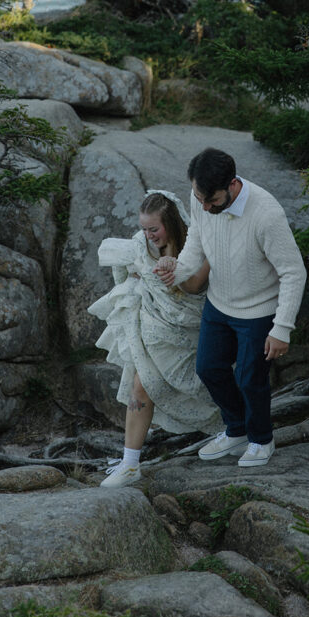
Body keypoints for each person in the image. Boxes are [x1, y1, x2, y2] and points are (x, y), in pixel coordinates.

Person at [155, 148, 307, 467]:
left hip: (259, 310)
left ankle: (261, 440)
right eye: (200, 198)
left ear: (233, 185)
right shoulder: (201, 199)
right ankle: (236, 429)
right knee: (208, 368)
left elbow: (294, 271)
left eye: (212, 201)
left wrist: (281, 329)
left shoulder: (266, 213)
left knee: (251, 380)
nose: (205, 206)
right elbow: (197, 238)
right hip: (219, 303)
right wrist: (178, 268)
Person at [88, 189, 219, 487]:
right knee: (141, 385)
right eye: (144, 228)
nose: (148, 235)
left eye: (154, 229)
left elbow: (199, 290)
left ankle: (236, 429)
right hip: (151, 329)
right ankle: (130, 463)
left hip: (189, 330)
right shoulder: (140, 244)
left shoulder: (194, 246)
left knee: (206, 381)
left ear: (170, 223)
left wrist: (177, 271)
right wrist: (137, 279)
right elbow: (122, 264)